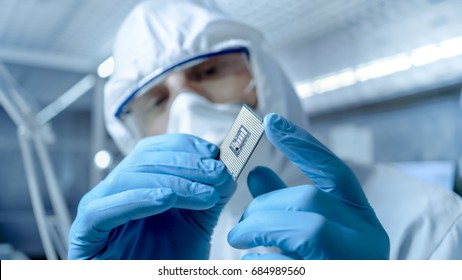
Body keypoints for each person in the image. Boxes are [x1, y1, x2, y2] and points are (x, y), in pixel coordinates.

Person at [68, 0, 462, 259]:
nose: (188, 106)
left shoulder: (432, 221)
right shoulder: (148, 241)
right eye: (155, 101)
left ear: (264, 74)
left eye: (208, 72)